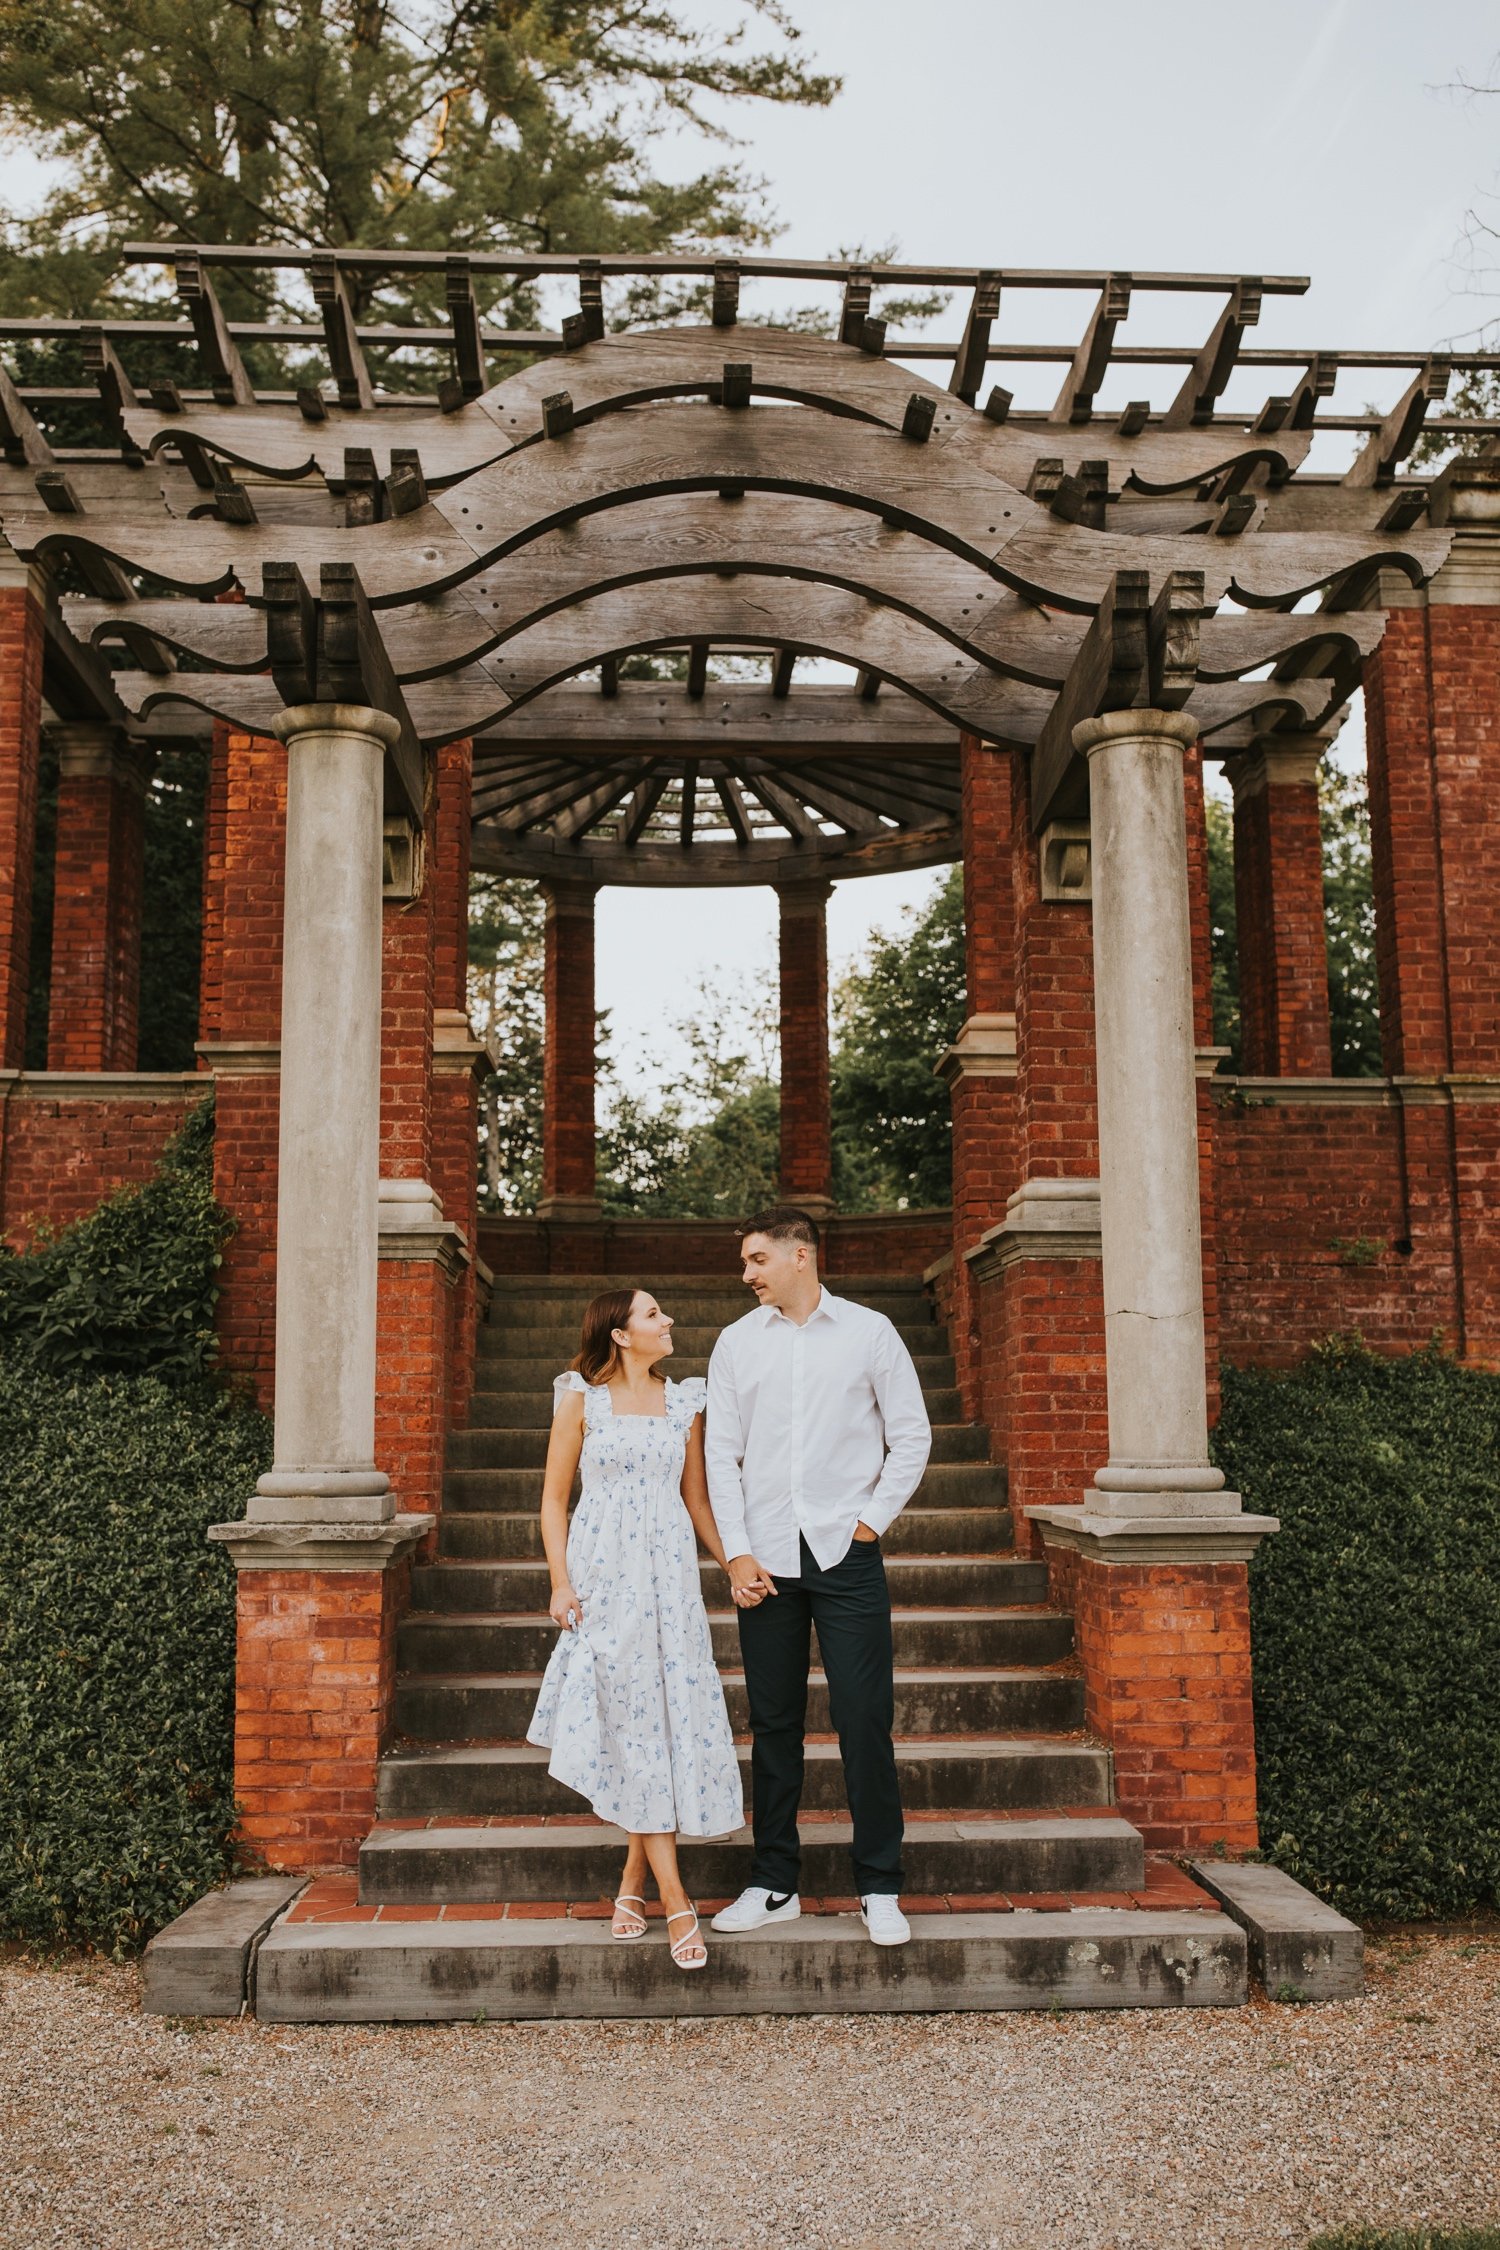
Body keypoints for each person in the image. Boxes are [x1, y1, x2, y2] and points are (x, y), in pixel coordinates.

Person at [704, 1207, 932, 1948]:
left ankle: (879, 1885)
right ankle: (774, 1883)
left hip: (846, 1555)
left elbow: (912, 1436)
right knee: (773, 1727)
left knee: (864, 1720)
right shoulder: (736, 1344)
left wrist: (870, 1523)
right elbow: (721, 1456)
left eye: (757, 1259)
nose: (747, 1275)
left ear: (800, 1255)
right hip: (765, 1559)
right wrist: (736, 1550)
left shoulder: (869, 1333)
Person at [527, 1285, 753, 1972]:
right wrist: (561, 1582)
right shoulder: (580, 1399)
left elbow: (696, 1499)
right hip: (602, 1583)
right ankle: (678, 1900)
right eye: (654, 1314)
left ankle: (632, 1884)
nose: (669, 1321)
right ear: (621, 1334)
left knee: (655, 1727)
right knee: (631, 1727)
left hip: (670, 1589)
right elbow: (553, 1502)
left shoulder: (684, 1402)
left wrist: (734, 1564)